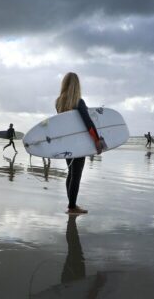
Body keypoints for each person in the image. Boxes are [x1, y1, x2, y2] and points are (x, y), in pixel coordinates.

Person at [56, 72, 104, 215]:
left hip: (66, 142)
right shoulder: (78, 102)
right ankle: (72, 207)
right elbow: (88, 123)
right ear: (77, 85)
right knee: (76, 175)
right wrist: (97, 140)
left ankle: (71, 204)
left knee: (71, 173)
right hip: (78, 144)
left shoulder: (58, 102)